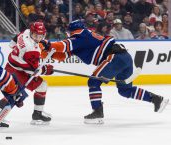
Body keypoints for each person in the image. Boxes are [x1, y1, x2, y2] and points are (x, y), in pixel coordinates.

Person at [40, 20, 169, 124]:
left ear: (73, 31)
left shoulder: (80, 35)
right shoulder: (82, 40)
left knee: (93, 81)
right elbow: (62, 55)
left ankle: (97, 112)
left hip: (114, 57)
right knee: (125, 90)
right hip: (124, 57)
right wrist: (47, 53)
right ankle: (156, 99)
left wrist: (46, 44)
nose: (69, 35)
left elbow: (63, 46)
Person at [0, 21, 54, 127]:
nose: (38, 38)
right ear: (32, 33)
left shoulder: (26, 32)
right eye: (36, 35)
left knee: (41, 86)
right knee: (14, 95)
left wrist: (36, 44)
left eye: (40, 36)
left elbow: (12, 44)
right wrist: (46, 70)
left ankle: (37, 114)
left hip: (13, 66)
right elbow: (33, 71)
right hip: (19, 71)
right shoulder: (33, 50)